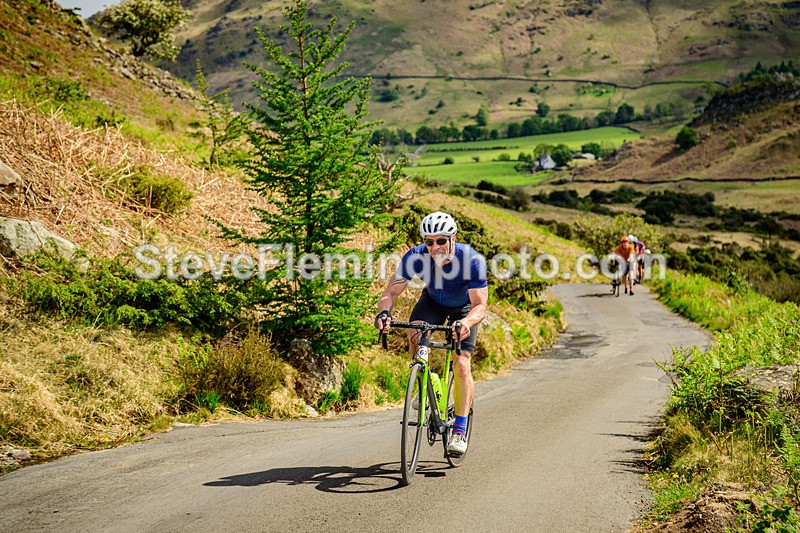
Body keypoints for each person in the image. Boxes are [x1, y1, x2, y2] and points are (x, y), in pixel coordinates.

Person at [375, 211, 488, 456]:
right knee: (415, 332)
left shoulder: (471, 260)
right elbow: (390, 294)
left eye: (441, 241)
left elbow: (480, 305)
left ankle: (459, 428)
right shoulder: (415, 256)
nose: (435, 247)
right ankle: (425, 381)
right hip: (434, 302)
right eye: (429, 242)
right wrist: (384, 314)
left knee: (461, 365)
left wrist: (466, 322)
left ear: (453, 238)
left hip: (464, 308)